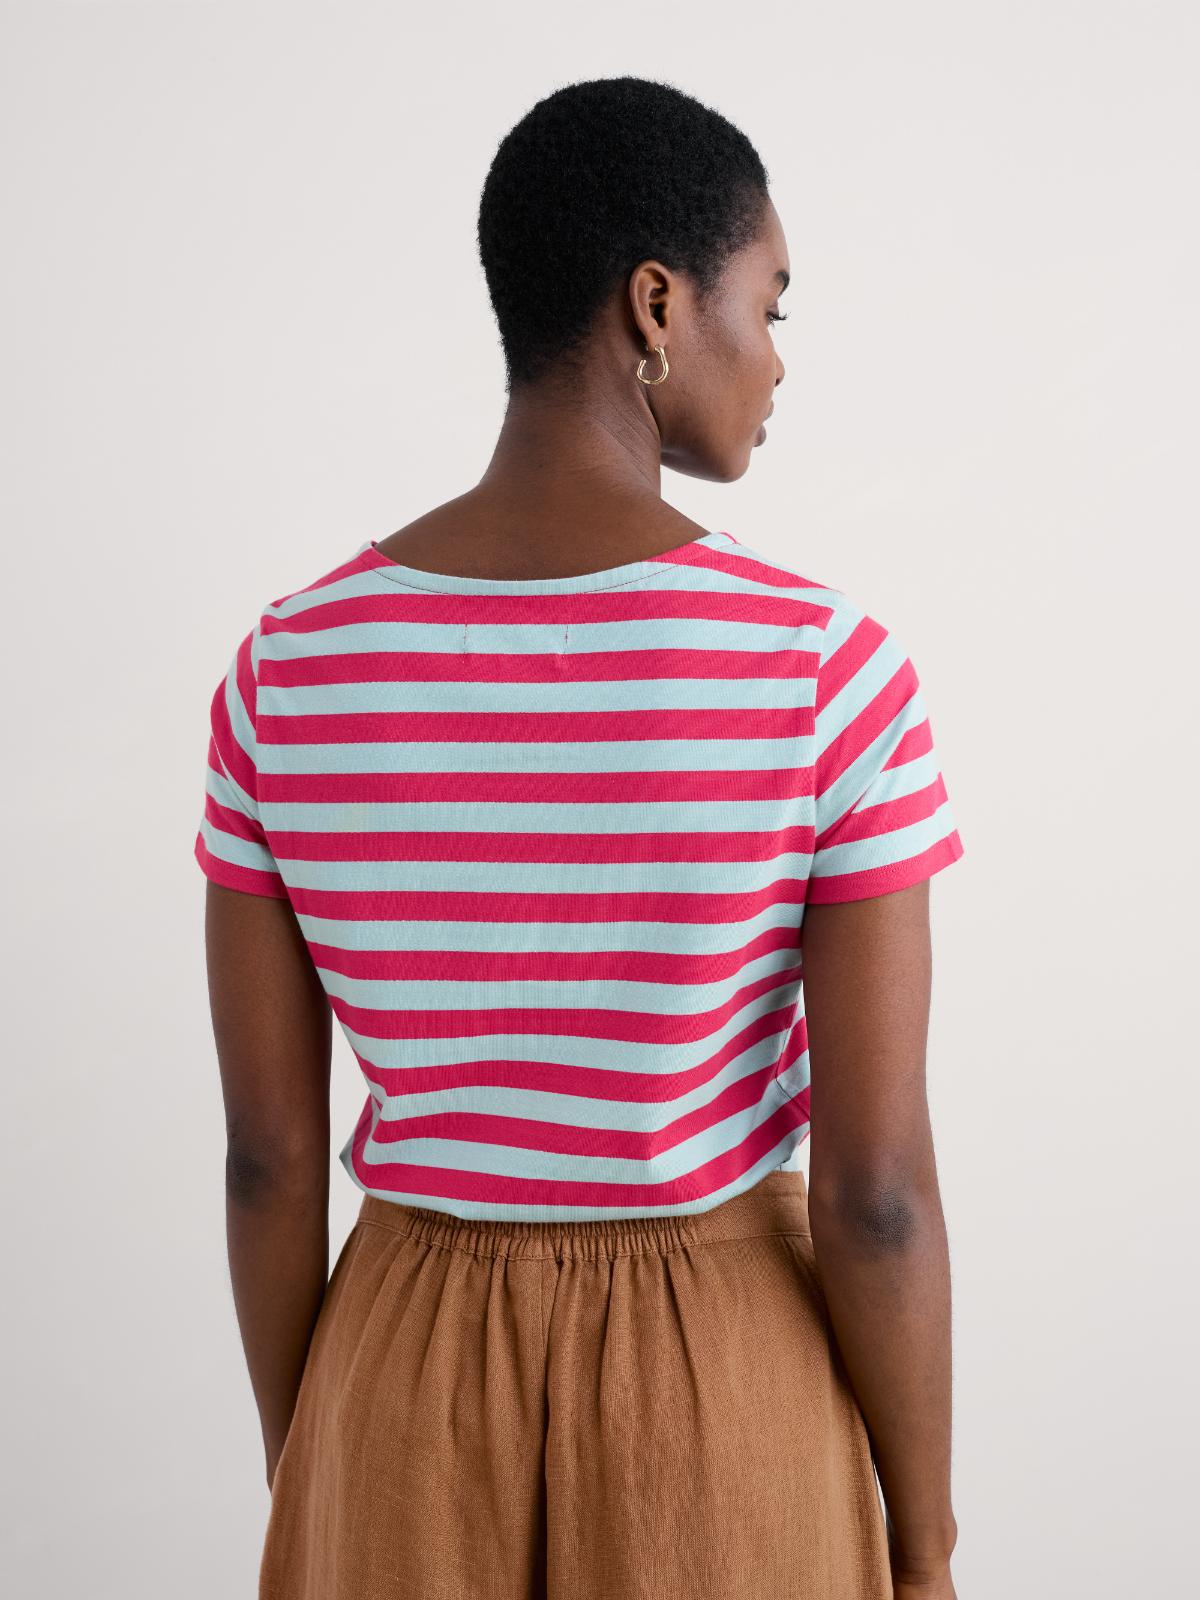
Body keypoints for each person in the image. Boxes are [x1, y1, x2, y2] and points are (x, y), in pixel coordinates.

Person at [195, 74, 965, 1600]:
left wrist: (323, 1463)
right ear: (658, 305)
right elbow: (877, 1194)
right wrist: (925, 1549)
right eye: (771, 307)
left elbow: (271, 1161)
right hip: (722, 1390)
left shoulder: (287, 669)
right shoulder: (824, 670)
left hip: (398, 1379)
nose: (778, 360)